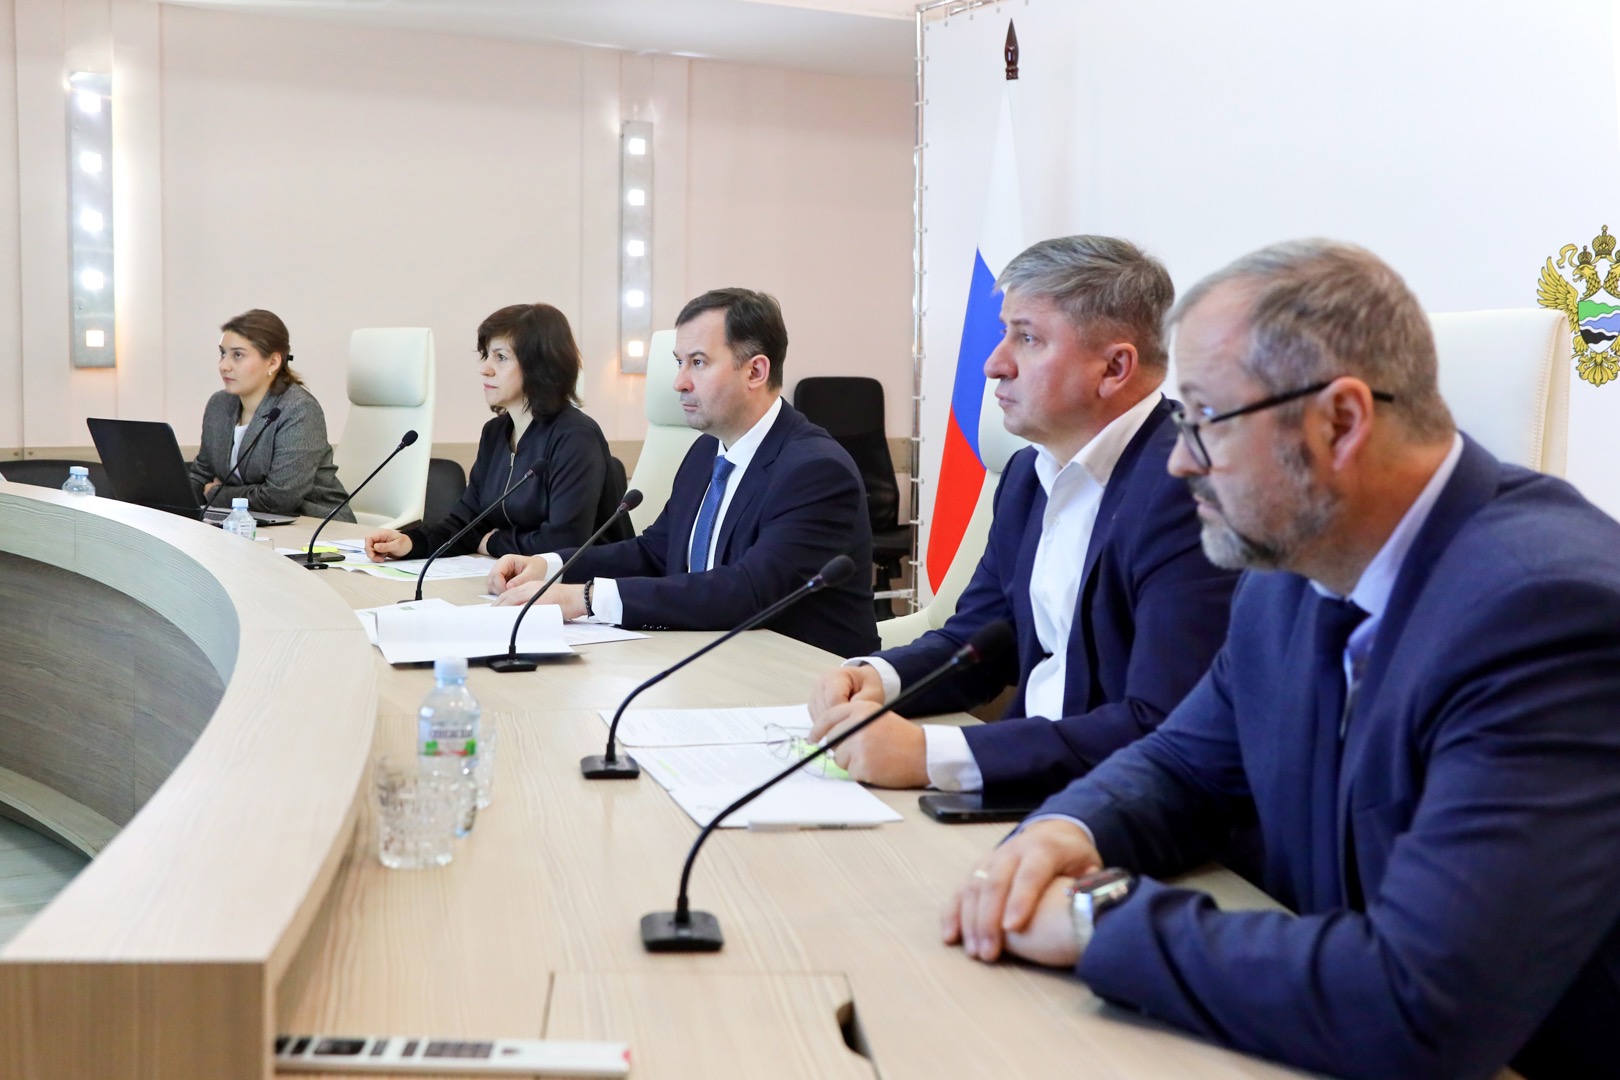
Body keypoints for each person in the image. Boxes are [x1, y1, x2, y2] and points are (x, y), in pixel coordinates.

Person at [942, 239, 1620, 1079]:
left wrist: (1097, 919)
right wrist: (1065, 831)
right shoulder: (1291, 570)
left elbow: (1420, 1002)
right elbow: (1181, 767)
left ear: (1340, 422)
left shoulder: (1548, 613)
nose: (1180, 460)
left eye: (1205, 420)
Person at [806, 236, 1237, 798]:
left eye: (1027, 338)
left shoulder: (1190, 488)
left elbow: (1162, 724)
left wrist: (930, 755)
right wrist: (878, 679)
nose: (994, 364)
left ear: (1114, 367)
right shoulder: (1026, 476)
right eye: (1004, 332)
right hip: (1030, 783)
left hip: (1118, 807)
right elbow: (981, 639)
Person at [487, 288, 879, 658]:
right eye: (679, 362)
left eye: (698, 362)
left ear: (756, 372)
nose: (679, 382)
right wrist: (550, 566)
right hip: (713, 661)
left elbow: (747, 591)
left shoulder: (815, 470)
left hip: (803, 679)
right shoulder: (706, 451)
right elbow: (654, 552)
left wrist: (586, 598)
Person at [364, 303, 620, 563]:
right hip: (516, 575)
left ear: (539, 365)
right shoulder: (495, 433)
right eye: (486, 355)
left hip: (585, 581)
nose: (485, 368)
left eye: (501, 357)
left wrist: (494, 542)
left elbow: (564, 543)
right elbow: (466, 523)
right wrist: (410, 543)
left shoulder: (576, 437)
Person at [188, 308, 351, 520]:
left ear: (273, 362)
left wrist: (214, 493)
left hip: (315, 526)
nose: (224, 366)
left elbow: (280, 498)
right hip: (249, 524)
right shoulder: (219, 405)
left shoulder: (299, 409)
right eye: (222, 353)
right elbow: (202, 475)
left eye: (237, 355)